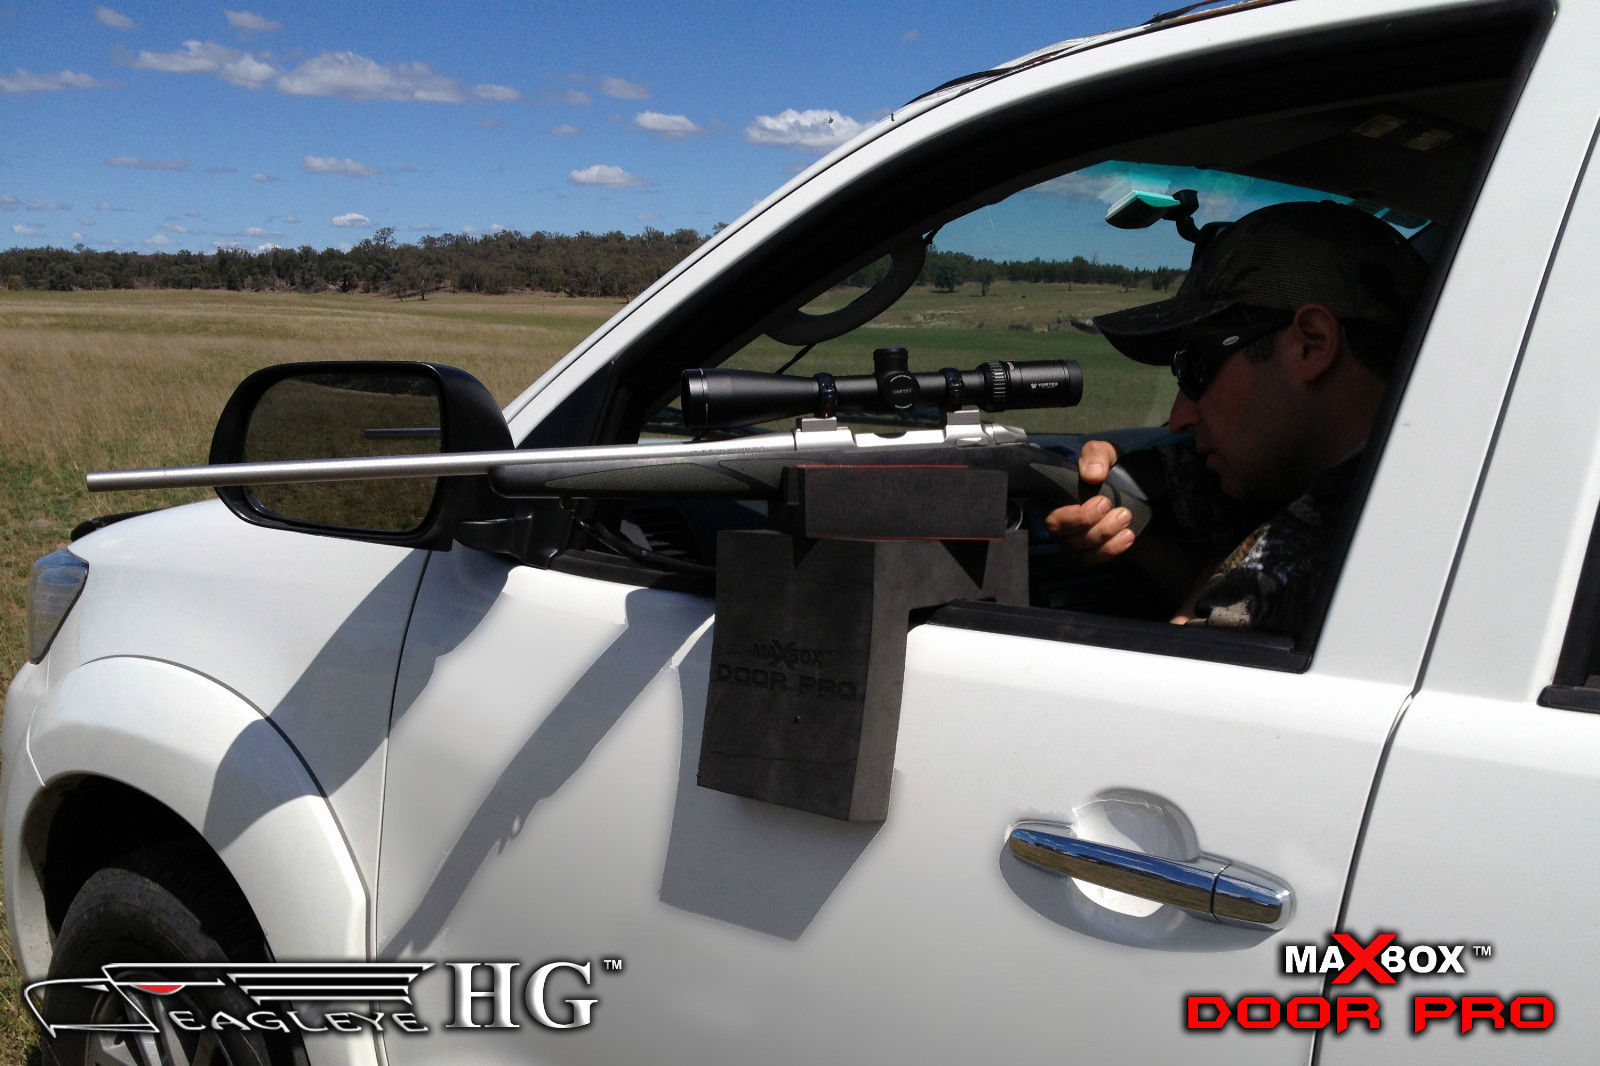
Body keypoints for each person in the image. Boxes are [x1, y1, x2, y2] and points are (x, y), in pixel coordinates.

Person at [1045, 199, 1429, 632]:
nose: (1179, 417)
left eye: (1195, 368)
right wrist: (1141, 533)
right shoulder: (1418, 489)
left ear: (1311, 344)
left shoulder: (1299, 570)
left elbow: (1185, 659)